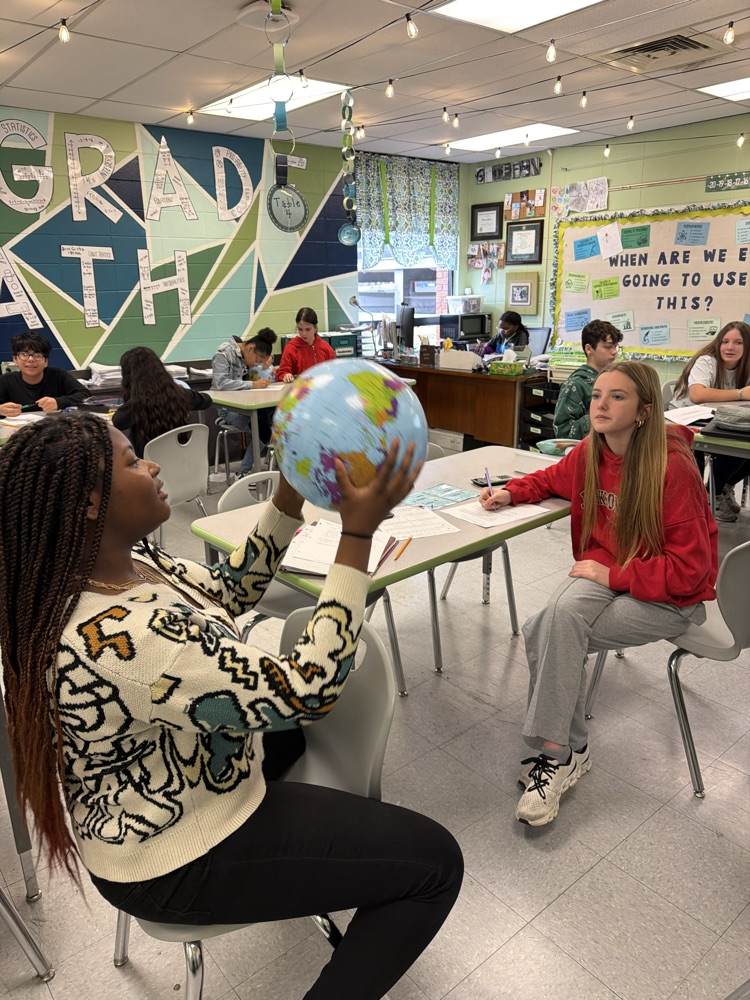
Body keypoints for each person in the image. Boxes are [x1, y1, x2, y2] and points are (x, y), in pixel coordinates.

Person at [0, 413, 462, 1000]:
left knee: (291, 742)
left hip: (182, 778)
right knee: (434, 865)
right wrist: (357, 537)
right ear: (90, 506)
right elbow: (308, 689)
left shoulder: (130, 566)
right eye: (132, 461)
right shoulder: (123, 639)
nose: (154, 464)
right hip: (174, 855)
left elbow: (227, 589)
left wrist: (288, 496)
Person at [480, 361, 717, 827]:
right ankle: (565, 751)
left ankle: (563, 753)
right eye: (597, 395)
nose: (601, 405)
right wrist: (512, 492)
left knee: (546, 628)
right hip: (606, 572)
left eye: (618, 397)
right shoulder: (593, 450)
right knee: (553, 625)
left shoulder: (672, 469)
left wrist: (615, 578)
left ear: (645, 412)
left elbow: (692, 571)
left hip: (670, 597)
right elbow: (552, 479)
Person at [671, 321, 750, 522]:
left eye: (738, 342)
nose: (730, 347)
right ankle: (708, 495)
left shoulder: (747, 366)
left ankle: (722, 488)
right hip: (687, 421)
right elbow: (698, 395)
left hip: (718, 421)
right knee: (732, 453)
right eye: (725, 341)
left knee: (743, 448)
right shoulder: (707, 361)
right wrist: (741, 394)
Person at [112, 346, 212, 457]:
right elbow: (207, 400)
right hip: (182, 462)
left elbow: (117, 422)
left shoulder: (136, 404)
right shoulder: (180, 394)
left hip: (149, 467)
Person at [212, 328, 278, 479]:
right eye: (257, 360)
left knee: (268, 416)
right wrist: (252, 385)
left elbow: (261, 355)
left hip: (245, 405)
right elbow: (221, 383)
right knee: (263, 430)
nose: (256, 364)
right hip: (228, 409)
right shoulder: (223, 354)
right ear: (250, 349)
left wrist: (269, 358)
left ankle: (246, 471)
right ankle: (243, 474)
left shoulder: (245, 351)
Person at [553, 319, 623, 439]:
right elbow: (563, 431)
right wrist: (601, 415)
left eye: (616, 346)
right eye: (608, 347)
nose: (614, 352)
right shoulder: (576, 384)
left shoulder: (611, 380)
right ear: (589, 349)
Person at [0, 332, 86, 415]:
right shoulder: (6, 381)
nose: (30, 359)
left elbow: (86, 395)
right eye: (24, 354)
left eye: (37, 355)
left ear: (46, 361)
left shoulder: (58, 376)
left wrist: (58, 402)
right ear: (15, 360)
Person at [277, 307, 336, 382]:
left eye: (308, 329)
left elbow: (335, 369)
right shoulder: (291, 347)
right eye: (300, 329)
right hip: (300, 390)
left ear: (315, 328)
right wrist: (286, 375)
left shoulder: (325, 347)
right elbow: (282, 372)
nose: (304, 333)